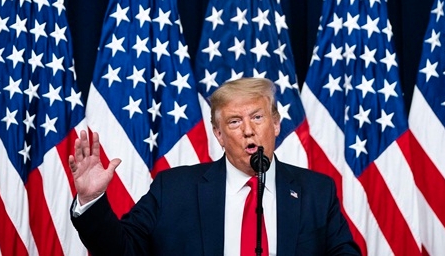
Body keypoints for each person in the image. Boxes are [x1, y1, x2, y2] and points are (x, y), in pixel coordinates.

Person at [69, 77, 361, 256]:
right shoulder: (174, 189)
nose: (248, 130)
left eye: (257, 118)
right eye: (235, 122)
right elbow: (121, 251)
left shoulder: (316, 192)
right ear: (219, 135)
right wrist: (91, 200)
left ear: (275, 125)